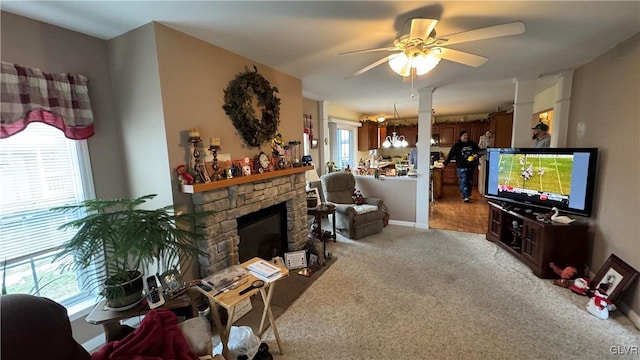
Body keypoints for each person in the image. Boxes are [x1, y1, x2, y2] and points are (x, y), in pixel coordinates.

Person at [444, 130, 481, 203]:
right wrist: (445, 164)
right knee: (463, 181)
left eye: (467, 135)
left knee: (469, 182)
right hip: (461, 167)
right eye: (464, 135)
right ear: (460, 137)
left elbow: (479, 151)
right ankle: (466, 196)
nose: (466, 137)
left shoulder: (472, 144)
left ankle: (466, 195)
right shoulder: (457, 146)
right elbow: (450, 155)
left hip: (471, 166)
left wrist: (477, 155)